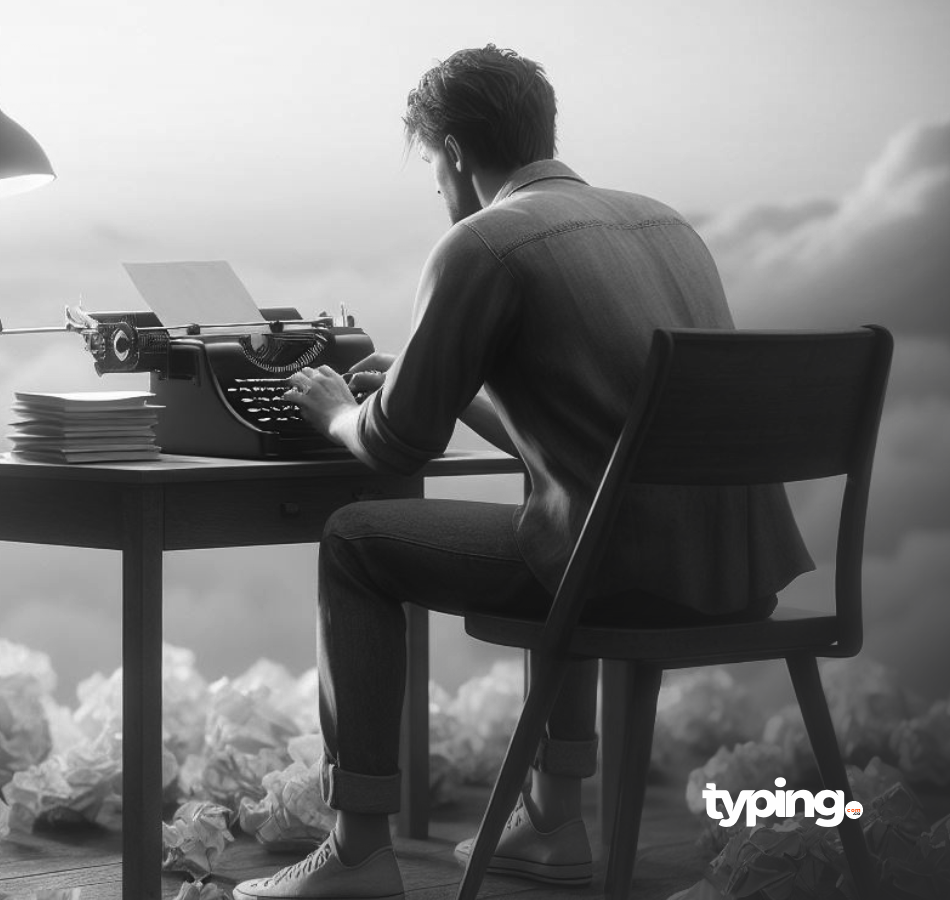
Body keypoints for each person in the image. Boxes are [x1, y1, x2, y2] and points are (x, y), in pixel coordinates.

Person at [232, 45, 812, 900]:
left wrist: (331, 411)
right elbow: (606, 439)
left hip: (622, 576)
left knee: (356, 540)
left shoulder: (482, 243)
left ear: (457, 153)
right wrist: (451, 389)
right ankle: (550, 820)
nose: (438, 187)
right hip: (739, 574)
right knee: (559, 510)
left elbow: (393, 446)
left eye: (432, 166)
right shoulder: (665, 223)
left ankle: (357, 851)